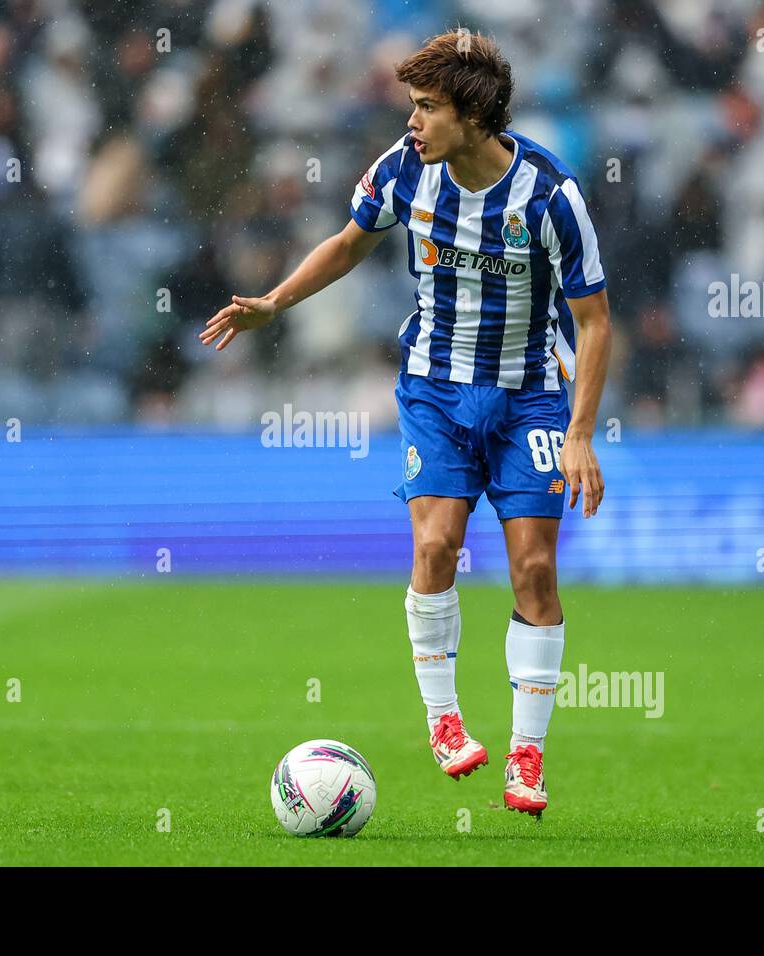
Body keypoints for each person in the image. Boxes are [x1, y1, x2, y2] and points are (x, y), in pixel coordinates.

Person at [200, 29, 611, 818]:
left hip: (529, 396)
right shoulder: (403, 171)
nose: (412, 123)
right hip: (434, 390)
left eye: (427, 109)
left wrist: (584, 431)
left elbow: (595, 322)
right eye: (412, 107)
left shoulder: (552, 197)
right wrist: (274, 303)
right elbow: (352, 242)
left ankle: (526, 755)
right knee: (435, 544)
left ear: (473, 114)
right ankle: (443, 718)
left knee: (534, 572)